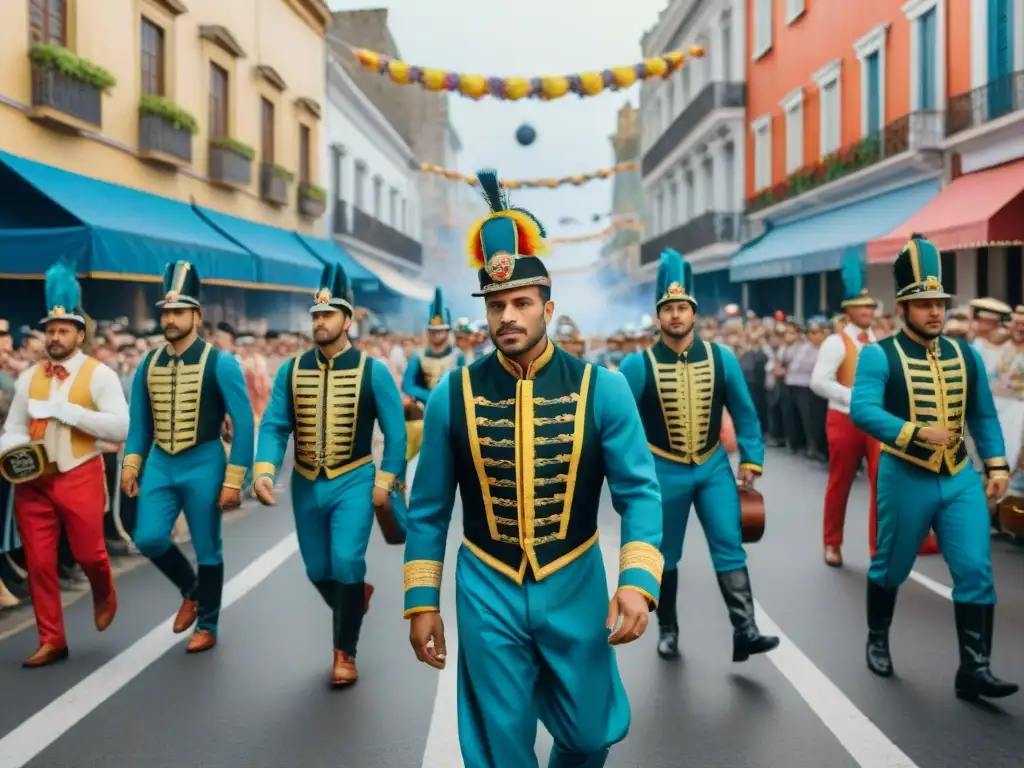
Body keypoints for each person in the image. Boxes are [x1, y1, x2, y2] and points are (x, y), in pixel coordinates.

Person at [403, 169, 664, 768]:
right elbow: (428, 510)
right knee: (500, 740)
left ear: (548, 307)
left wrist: (637, 582)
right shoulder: (454, 394)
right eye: (497, 305)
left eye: (521, 303)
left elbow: (641, 496)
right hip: (485, 583)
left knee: (587, 735)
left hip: (574, 580)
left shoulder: (604, 388)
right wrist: (422, 601)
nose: (508, 316)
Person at [850, 233, 1017, 701]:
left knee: (975, 569)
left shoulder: (965, 354)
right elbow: (862, 409)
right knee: (891, 566)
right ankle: (877, 637)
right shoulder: (877, 354)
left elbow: (982, 415)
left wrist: (997, 465)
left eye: (940, 302)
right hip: (905, 476)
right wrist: (914, 432)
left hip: (960, 477)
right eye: (924, 304)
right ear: (903, 308)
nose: (936, 312)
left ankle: (974, 669)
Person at [618, 249, 778, 663]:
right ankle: (668, 630)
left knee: (730, 545)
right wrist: (627, 473)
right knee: (665, 555)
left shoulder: (721, 358)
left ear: (694, 314)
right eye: (668, 308)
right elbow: (619, 426)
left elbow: (745, 413)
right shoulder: (638, 365)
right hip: (662, 470)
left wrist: (751, 458)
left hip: (712, 468)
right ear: (658, 316)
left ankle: (745, 630)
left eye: (682, 308)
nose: (675, 315)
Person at [253, 264, 407, 686]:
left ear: (348, 320)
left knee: (346, 560)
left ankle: (345, 654)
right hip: (305, 483)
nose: (320, 322)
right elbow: (274, 425)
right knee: (317, 569)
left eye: (329, 314)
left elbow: (395, 436)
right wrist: (264, 469)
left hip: (354, 479)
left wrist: (385, 481)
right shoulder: (290, 370)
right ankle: (355, 598)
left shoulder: (373, 371)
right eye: (316, 315)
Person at [120, 261, 254, 654]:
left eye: (179, 311)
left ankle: (208, 624)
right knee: (147, 537)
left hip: (205, 460)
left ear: (197, 315)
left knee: (207, 545)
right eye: (166, 312)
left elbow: (243, 424)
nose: (171, 319)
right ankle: (192, 590)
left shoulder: (221, 362)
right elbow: (139, 425)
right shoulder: (147, 363)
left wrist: (235, 479)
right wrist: (131, 463)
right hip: (161, 462)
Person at [0, 263, 129, 667]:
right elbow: (13, 427)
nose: (54, 337)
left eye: (63, 330)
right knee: (40, 562)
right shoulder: (27, 377)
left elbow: (122, 427)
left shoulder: (99, 375)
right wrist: (12, 453)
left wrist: (67, 412)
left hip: (80, 474)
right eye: (50, 330)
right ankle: (52, 639)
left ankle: (104, 589)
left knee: (90, 555)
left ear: (80, 333)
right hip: (33, 481)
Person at [810, 255, 938, 567]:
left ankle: (878, 548)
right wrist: (853, 397)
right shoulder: (835, 343)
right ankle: (832, 543)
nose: (868, 311)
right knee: (840, 482)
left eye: (871, 307)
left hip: (878, 421)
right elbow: (818, 381)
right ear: (848, 311)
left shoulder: (880, 341)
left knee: (883, 483)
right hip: (844, 419)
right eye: (862, 307)